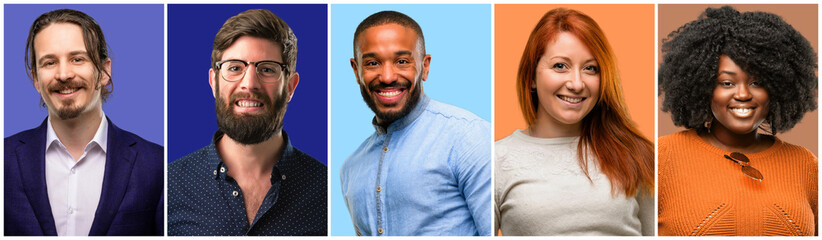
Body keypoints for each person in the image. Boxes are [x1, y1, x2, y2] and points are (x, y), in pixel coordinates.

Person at [658, 6, 818, 236]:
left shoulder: (806, 165)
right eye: (727, 83)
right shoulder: (663, 157)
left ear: (777, 87)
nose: (743, 94)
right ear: (703, 87)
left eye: (756, 82)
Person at [494, 8, 654, 236]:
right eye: (560, 66)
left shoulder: (636, 153)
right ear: (531, 76)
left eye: (590, 68)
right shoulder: (495, 160)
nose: (577, 84)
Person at [167, 9, 326, 236]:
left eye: (268, 69)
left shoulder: (327, 191)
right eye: (235, 68)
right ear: (214, 82)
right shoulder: (170, 185)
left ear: (290, 87)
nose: (249, 84)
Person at [4, 9, 163, 236]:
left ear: (104, 71)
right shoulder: (4, 159)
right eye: (49, 62)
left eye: (77, 59)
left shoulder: (157, 165)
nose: (64, 74)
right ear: (36, 80)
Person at [339, 10, 492, 236]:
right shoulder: (350, 169)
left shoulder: (469, 138)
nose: (388, 76)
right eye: (372, 63)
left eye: (402, 61)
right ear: (356, 70)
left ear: (425, 66)